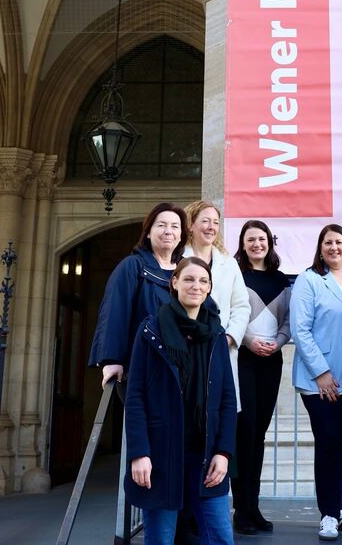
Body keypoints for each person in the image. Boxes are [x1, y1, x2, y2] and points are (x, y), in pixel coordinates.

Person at [123, 257, 237, 545]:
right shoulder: (150, 330)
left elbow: (227, 399)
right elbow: (135, 396)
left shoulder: (216, 335)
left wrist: (224, 453)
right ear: (174, 283)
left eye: (202, 281)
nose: (195, 286)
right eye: (188, 279)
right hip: (161, 455)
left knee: (221, 538)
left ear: (210, 287)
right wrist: (139, 452)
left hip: (206, 457)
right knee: (160, 540)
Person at [290, 224, 342, 541]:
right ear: (320, 248)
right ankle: (328, 514)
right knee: (328, 444)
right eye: (328, 242)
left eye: (339, 242)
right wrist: (320, 372)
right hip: (320, 380)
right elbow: (300, 329)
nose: (334, 247)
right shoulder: (309, 280)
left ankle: (339, 507)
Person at [230, 220, 291, 535]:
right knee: (244, 432)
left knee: (260, 434)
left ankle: (253, 507)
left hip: (272, 361)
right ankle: (241, 509)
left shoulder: (281, 280)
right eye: (250, 239)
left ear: (269, 243)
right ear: (243, 244)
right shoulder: (235, 276)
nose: (257, 244)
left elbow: (287, 322)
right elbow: (229, 317)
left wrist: (277, 344)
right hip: (243, 359)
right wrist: (250, 341)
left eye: (262, 239)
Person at [88, 202, 188, 387]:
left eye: (175, 226)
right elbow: (114, 313)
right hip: (144, 369)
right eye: (161, 225)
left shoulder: (189, 270)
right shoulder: (132, 266)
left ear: (181, 235)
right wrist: (112, 360)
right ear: (148, 232)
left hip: (185, 371)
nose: (168, 231)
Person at [183, 200, 251, 409]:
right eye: (205, 221)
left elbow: (241, 305)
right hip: (185, 347)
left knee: (218, 412)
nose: (211, 227)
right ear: (190, 225)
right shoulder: (178, 259)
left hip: (220, 349)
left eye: (215, 222)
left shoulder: (228, 263)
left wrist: (230, 338)